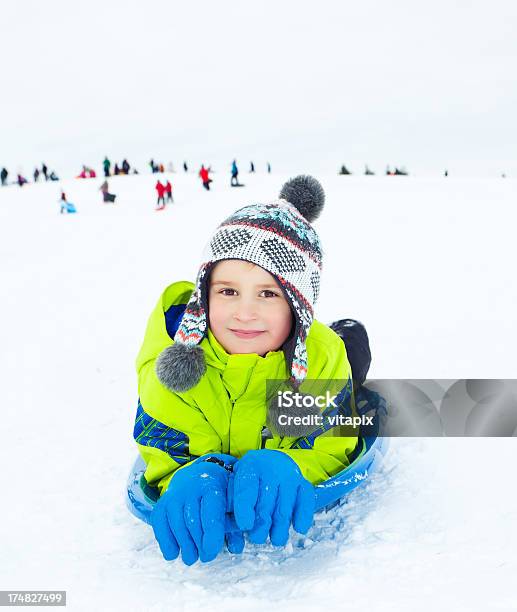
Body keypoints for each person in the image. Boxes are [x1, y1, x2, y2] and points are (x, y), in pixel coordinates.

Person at [133, 175, 370, 566]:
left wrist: (294, 465)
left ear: (297, 308)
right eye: (227, 291)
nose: (244, 313)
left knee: (350, 355)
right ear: (204, 296)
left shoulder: (320, 358)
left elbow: (331, 447)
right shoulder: (173, 364)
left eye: (268, 293)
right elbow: (160, 448)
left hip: (313, 356)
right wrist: (183, 476)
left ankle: (350, 336)